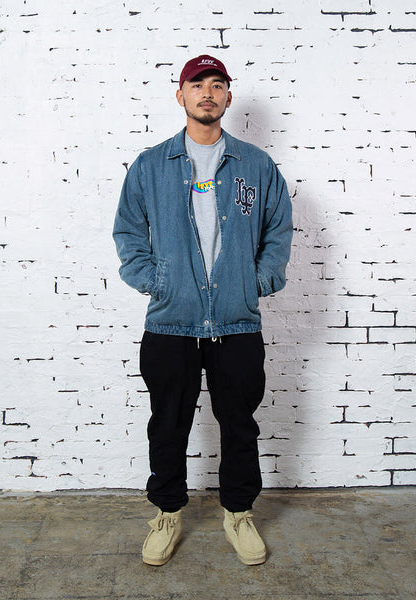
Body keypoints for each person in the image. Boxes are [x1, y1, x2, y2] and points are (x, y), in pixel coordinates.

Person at [113, 54, 293, 566]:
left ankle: (238, 513)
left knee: (239, 425)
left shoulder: (256, 166)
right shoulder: (151, 165)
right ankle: (168, 514)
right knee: (167, 425)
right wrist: (156, 282)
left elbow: (278, 231)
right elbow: (128, 232)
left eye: (217, 85)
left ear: (228, 97)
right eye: (197, 85)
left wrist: (256, 282)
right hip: (171, 321)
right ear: (181, 96)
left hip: (236, 321)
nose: (207, 93)